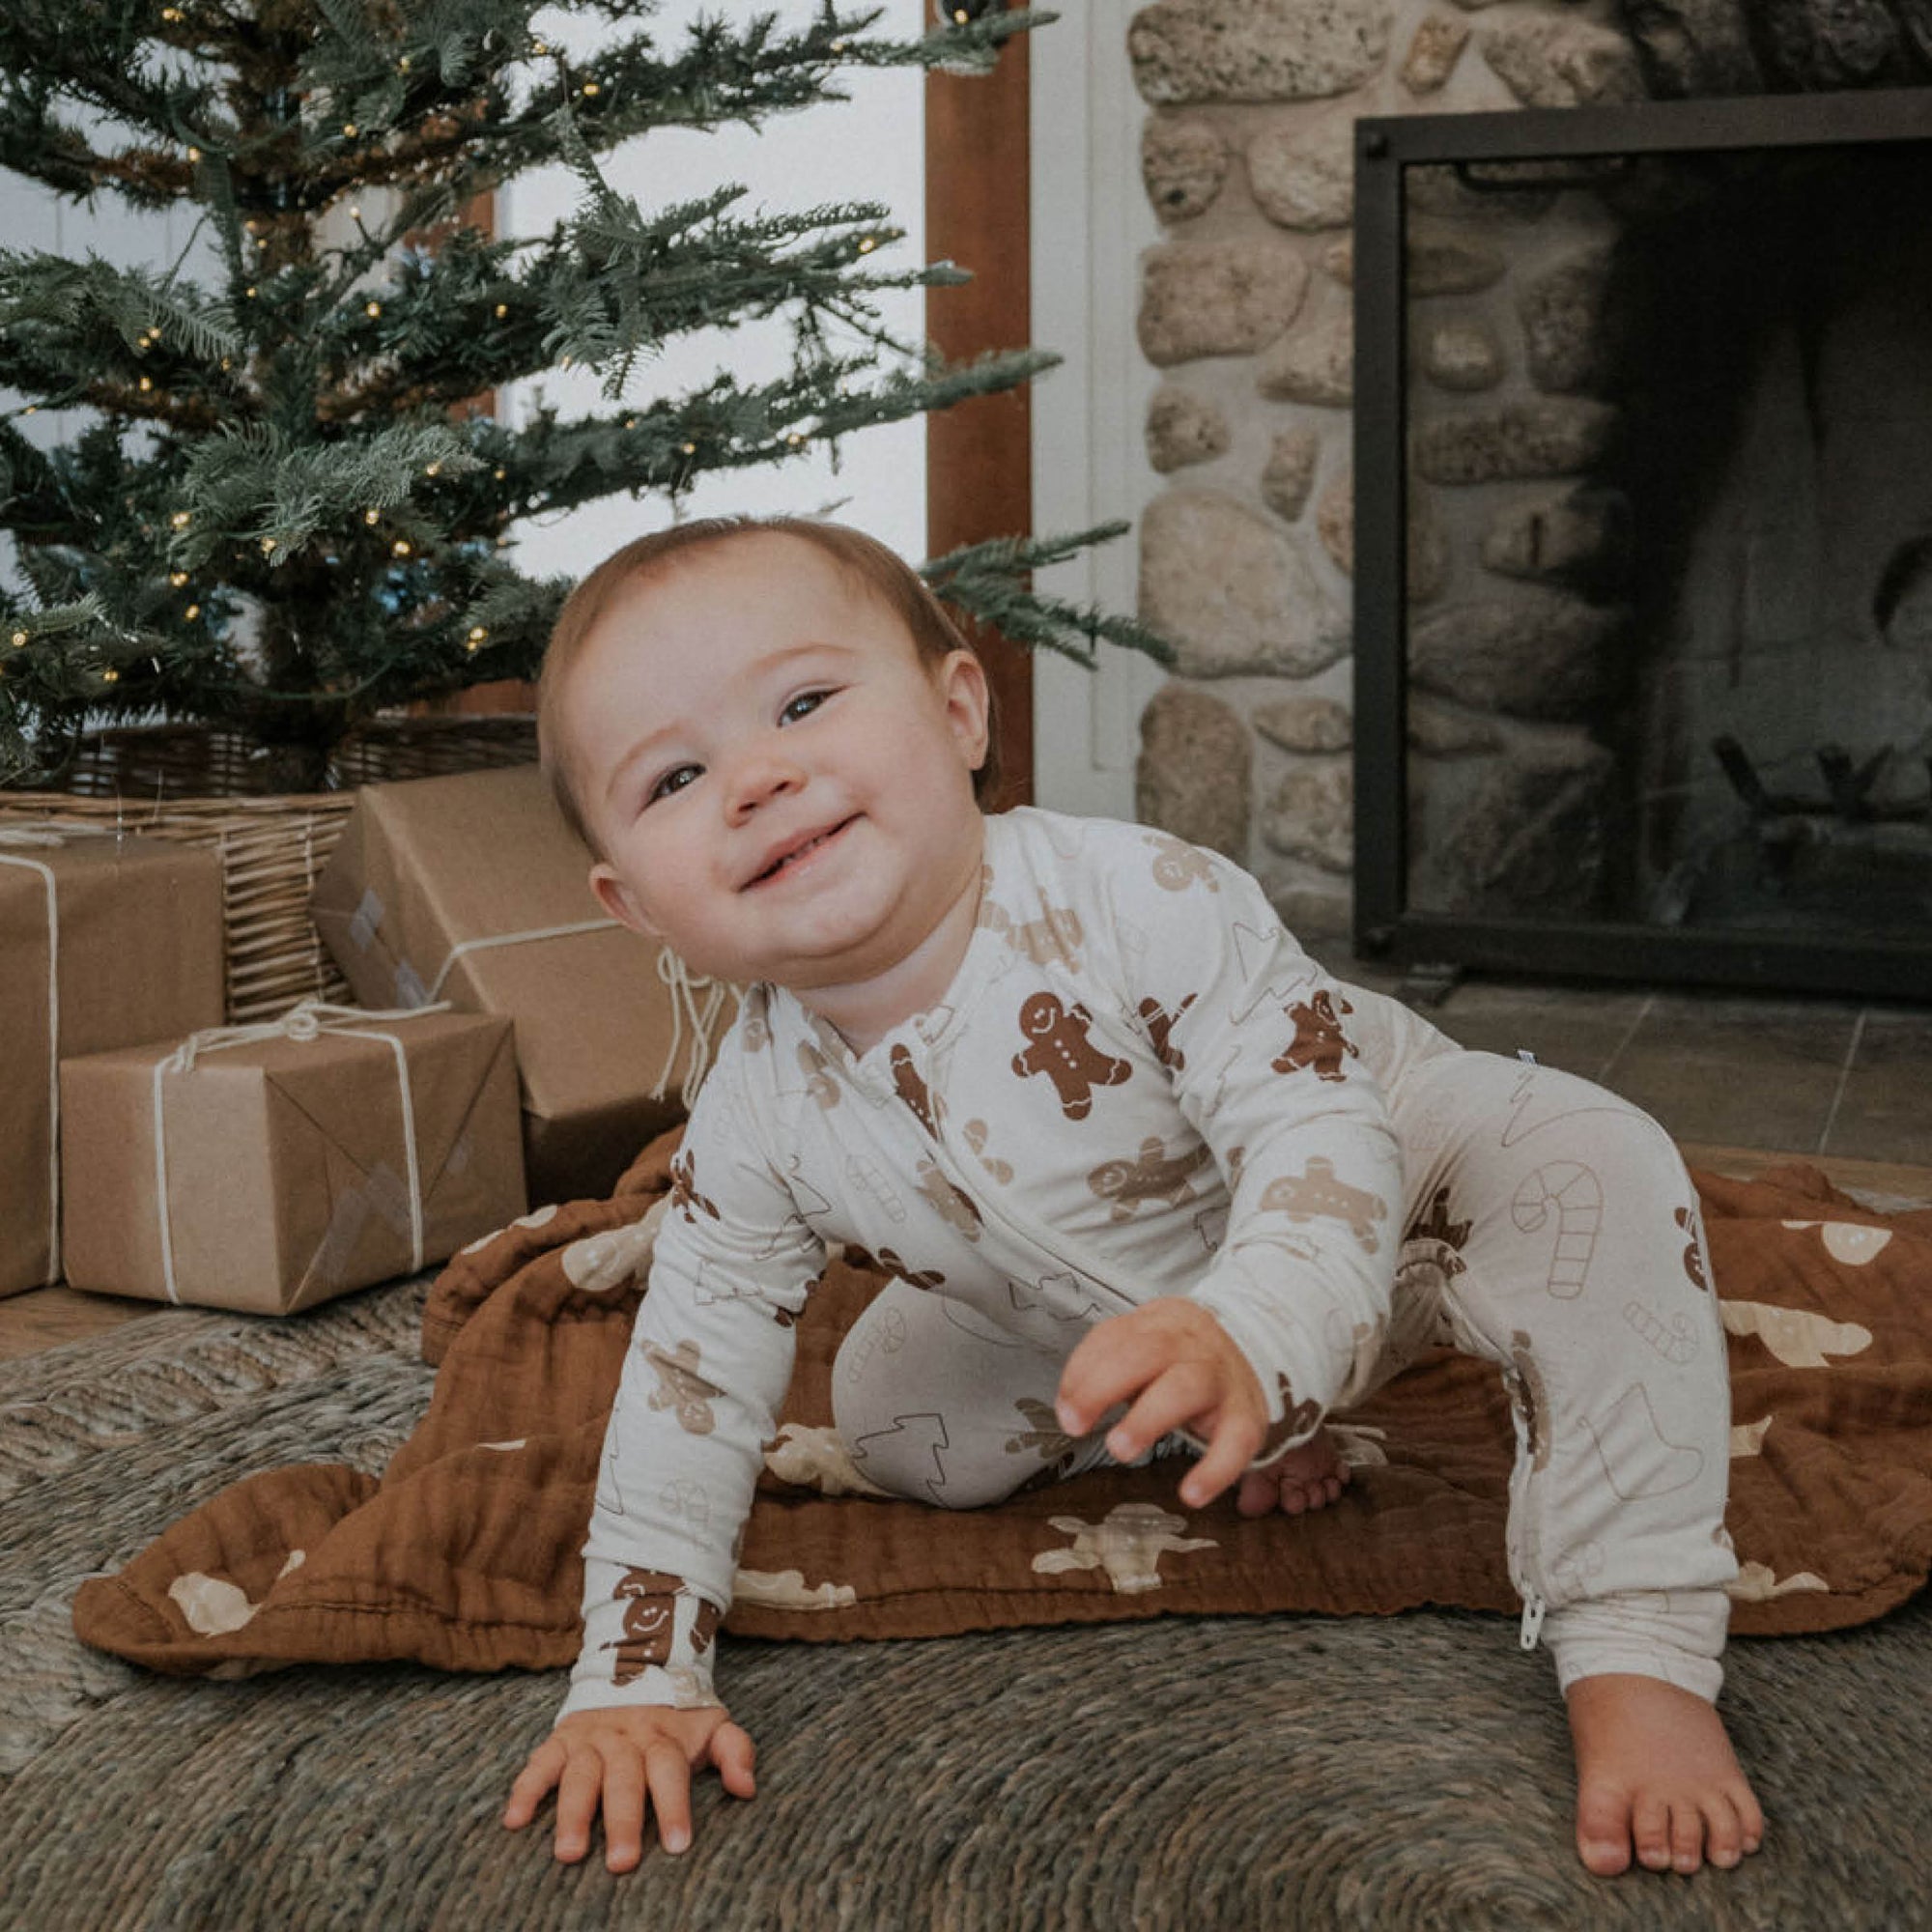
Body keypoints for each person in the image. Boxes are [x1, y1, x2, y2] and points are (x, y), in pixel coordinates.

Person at [501, 515, 1763, 1881]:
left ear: (958, 711)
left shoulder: (1140, 898)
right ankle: (1196, 1420)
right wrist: (635, 1671)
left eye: (804, 703)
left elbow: (1310, 1132)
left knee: (1595, 1161)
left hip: (1384, 1196)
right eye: (677, 776)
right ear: (638, 908)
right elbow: (690, 1368)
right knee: (891, 1422)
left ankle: (1637, 1645)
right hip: (1082, 1307)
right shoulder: (754, 1110)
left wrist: (1259, 1340)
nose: (756, 778)